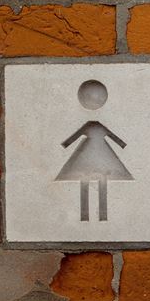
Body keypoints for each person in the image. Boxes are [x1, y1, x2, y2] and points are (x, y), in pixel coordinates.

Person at [56, 80, 132, 221]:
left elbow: (74, 138)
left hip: (94, 157)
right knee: (91, 182)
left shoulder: (94, 126)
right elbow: (114, 138)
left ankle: (98, 214)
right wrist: (122, 144)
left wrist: (122, 144)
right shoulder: (93, 126)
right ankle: (89, 214)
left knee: (97, 182)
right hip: (94, 157)